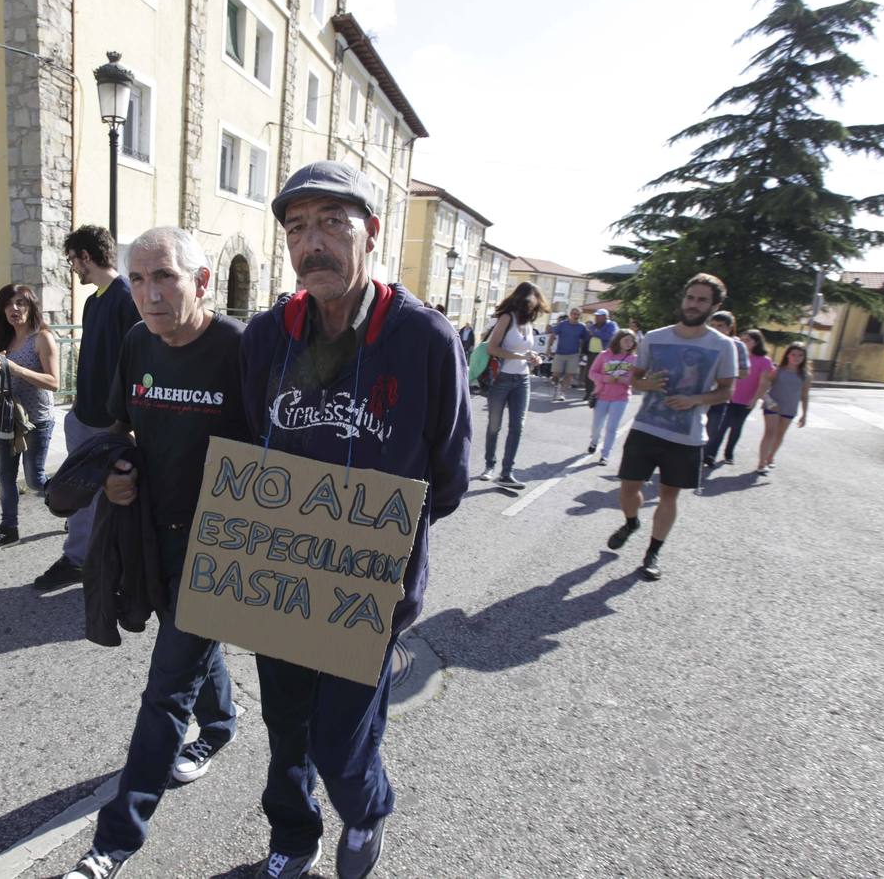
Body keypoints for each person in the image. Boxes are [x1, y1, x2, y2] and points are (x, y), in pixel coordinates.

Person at [240, 160, 471, 879]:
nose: (314, 244)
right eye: (298, 228)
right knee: (285, 730)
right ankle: (294, 833)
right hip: (278, 574)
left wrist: (367, 532)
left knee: (341, 740)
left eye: (332, 224)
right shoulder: (264, 337)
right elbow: (251, 444)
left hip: (368, 583)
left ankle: (365, 809)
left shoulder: (426, 340)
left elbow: (452, 476)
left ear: (371, 233)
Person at [62, 227, 244, 879]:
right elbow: (121, 426)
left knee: (166, 691)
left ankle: (113, 842)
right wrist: (115, 470)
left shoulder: (240, 350)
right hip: (154, 535)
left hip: (221, 547)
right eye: (138, 280)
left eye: (163, 277)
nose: (148, 294)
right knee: (182, 642)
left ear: (200, 283)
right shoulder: (138, 342)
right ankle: (222, 723)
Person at [606, 274, 738, 581]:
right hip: (646, 427)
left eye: (702, 300)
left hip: (686, 435)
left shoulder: (723, 346)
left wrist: (696, 400)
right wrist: (646, 383)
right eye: (690, 297)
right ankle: (631, 522)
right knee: (628, 489)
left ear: (714, 305)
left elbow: (726, 390)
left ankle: (652, 553)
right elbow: (634, 378)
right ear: (683, 299)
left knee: (669, 495)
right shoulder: (655, 337)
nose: (694, 304)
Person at [34, 226, 141, 591]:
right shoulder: (95, 300)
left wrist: (121, 420)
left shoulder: (127, 297)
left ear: (86, 257)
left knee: (101, 497)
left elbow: (136, 362)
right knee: (86, 496)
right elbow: (95, 356)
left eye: (73, 261)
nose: (73, 269)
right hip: (86, 415)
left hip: (109, 423)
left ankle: (89, 562)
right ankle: (90, 560)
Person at [0, 284, 60, 554]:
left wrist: (16, 368)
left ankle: (73, 508)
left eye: (20, 303)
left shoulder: (42, 338)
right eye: (8, 304)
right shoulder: (4, 340)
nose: (14, 309)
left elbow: (54, 382)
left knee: (35, 479)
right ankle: (8, 530)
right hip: (8, 419)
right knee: (5, 476)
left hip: (37, 419)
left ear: (31, 307)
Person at [481, 281, 548, 490]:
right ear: (524, 298)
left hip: (522, 379)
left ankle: (507, 472)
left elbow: (527, 350)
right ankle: (489, 466)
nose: (534, 305)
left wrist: (535, 357)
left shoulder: (528, 323)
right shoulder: (506, 318)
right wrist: (520, 355)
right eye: (532, 300)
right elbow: (492, 348)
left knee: (517, 427)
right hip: (501, 378)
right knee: (494, 426)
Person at [703, 329, 773, 465]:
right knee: (720, 427)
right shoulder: (735, 355)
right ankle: (710, 455)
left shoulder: (764, 360)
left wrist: (755, 399)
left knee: (736, 427)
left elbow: (764, 383)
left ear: (756, 342)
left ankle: (729, 453)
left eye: (747, 340)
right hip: (729, 397)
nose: (743, 343)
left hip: (747, 400)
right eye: (742, 340)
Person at [701, 311, 751, 468]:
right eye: (713, 325)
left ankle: (707, 455)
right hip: (698, 392)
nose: (716, 329)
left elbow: (744, 372)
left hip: (719, 395)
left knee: (713, 427)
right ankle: (692, 455)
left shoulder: (737, 346)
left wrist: (724, 371)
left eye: (720, 326)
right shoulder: (702, 341)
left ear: (729, 328)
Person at [754, 341, 810, 475]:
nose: (796, 358)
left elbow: (805, 395)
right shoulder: (777, 370)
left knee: (780, 434)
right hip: (772, 406)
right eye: (793, 354)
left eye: (800, 355)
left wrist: (804, 415)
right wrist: (770, 402)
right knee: (770, 432)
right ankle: (761, 463)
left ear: (804, 358)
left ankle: (770, 456)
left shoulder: (806, 376)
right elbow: (763, 388)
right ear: (787, 355)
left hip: (789, 408)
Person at [587, 329, 638, 465]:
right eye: (626, 340)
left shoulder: (634, 359)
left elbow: (636, 379)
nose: (629, 343)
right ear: (618, 340)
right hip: (602, 395)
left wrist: (625, 380)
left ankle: (605, 455)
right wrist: (605, 378)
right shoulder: (604, 355)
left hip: (621, 397)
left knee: (612, 427)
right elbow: (591, 373)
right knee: (597, 425)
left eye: (631, 341)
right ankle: (594, 441)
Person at [548, 306, 587, 401]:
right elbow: (553, 335)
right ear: (570, 314)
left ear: (580, 316)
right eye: (574, 314)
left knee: (569, 374)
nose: (576, 316)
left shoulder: (582, 327)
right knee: (555, 374)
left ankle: (562, 393)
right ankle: (557, 385)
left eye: (578, 314)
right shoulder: (562, 324)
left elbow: (584, 339)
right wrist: (548, 348)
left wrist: (582, 352)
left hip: (573, 354)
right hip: (560, 353)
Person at [581, 308, 619, 402]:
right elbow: (587, 337)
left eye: (599, 316)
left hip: (605, 354)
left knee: (604, 373)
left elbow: (610, 336)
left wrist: (595, 333)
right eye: (596, 316)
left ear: (605, 317)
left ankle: (602, 393)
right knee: (590, 373)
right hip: (592, 353)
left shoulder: (611, 325)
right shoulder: (593, 326)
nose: (597, 317)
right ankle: (589, 392)